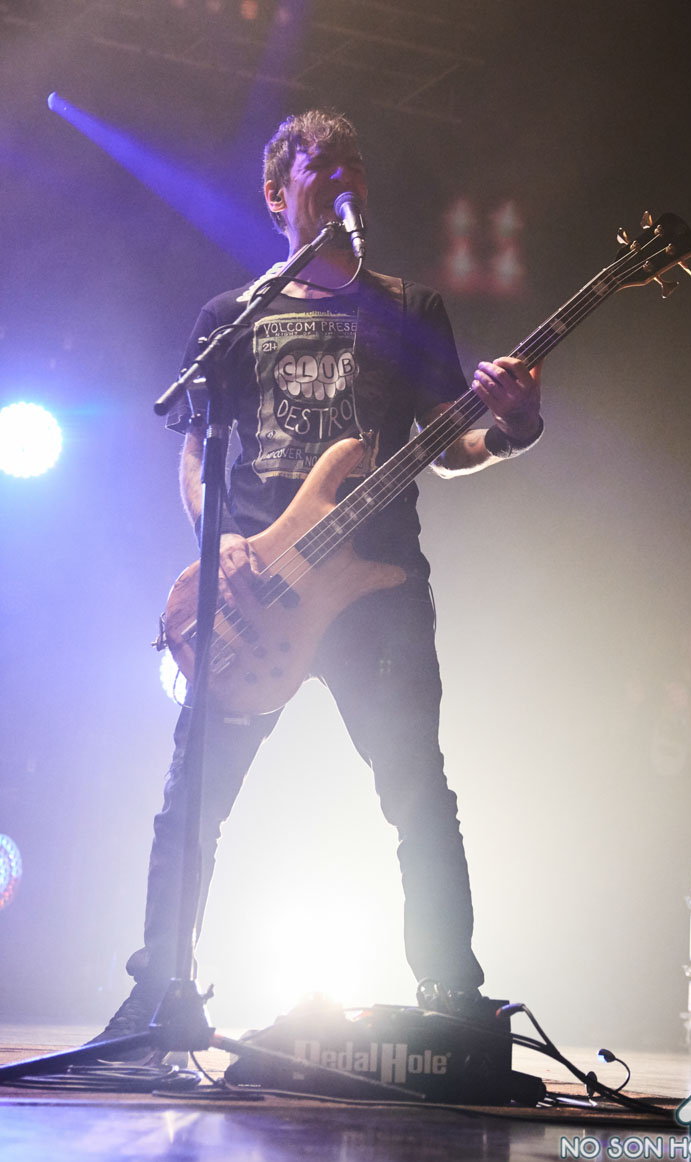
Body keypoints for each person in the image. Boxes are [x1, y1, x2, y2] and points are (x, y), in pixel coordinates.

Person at [94, 110, 543, 1048]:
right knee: (193, 799)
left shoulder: (408, 309)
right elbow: (196, 455)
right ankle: (156, 996)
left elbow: (449, 446)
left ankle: (451, 997)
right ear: (276, 194)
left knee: (418, 793)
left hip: (377, 592)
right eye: (323, 167)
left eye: (355, 166)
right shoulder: (231, 317)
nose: (346, 181)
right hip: (256, 592)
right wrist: (222, 547)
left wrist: (511, 427)